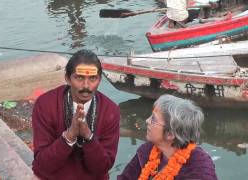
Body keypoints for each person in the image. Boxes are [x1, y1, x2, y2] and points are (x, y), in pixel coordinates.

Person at [32, 49, 120, 180]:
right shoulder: (45, 105)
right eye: (79, 78)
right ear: (67, 78)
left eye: (92, 78)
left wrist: (88, 136)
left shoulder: (110, 110)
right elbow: (42, 166)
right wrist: (69, 136)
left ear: (100, 79)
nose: (86, 86)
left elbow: (103, 167)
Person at [118, 94, 217, 180]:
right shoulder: (147, 150)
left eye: (153, 119)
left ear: (170, 134)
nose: (147, 121)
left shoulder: (199, 167)